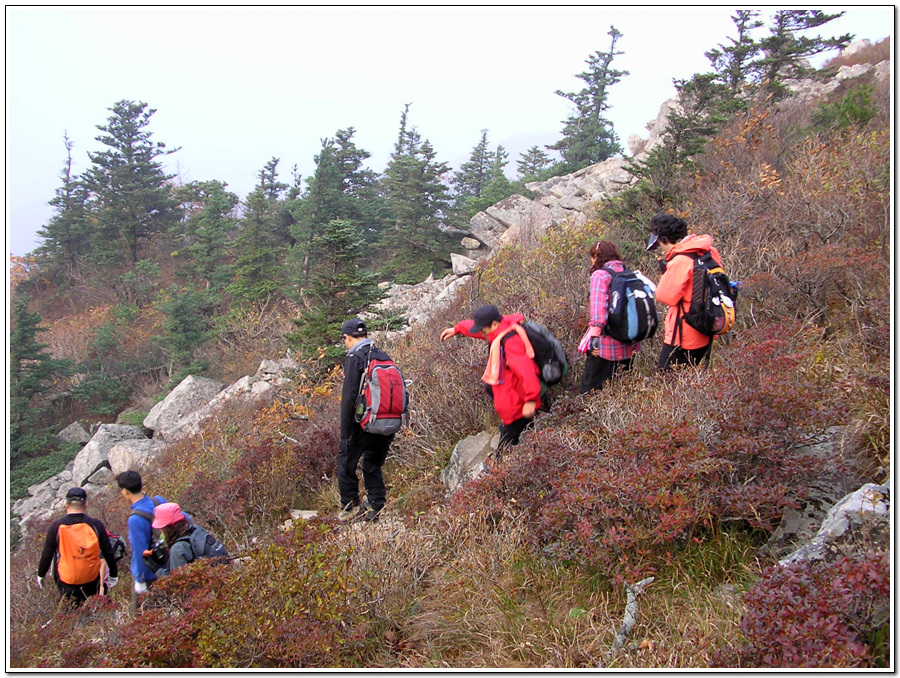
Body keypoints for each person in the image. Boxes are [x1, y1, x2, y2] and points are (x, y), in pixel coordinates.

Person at [440, 304, 542, 448]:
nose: (481, 333)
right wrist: (457, 329)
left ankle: (502, 466)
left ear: (494, 324)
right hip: (514, 394)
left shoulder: (511, 342)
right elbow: (477, 329)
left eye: (483, 329)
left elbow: (527, 371)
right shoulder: (502, 327)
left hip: (517, 400)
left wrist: (531, 400)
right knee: (518, 428)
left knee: (507, 441)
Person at [646, 213, 723, 370]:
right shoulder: (708, 251)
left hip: (684, 333)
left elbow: (664, 296)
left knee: (667, 379)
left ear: (664, 239)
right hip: (707, 325)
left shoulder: (680, 260)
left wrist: (665, 273)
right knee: (690, 376)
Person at [337, 318, 395, 523]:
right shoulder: (382, 354)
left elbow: (349, 397)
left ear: (347, 337)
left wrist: (344, 434)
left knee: (345, 463)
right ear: (367, 335)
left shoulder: (355, 356)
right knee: (372, 464)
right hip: (387, 420)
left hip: (363, 422)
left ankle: (350, 506)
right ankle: (376, 504)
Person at [36, 487, 119, 606]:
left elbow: (47, 554)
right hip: (91, 578)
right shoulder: (96, 525)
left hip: (66, 580)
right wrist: (113, 574)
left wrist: (41, 575)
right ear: (85, 504)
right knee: (93, 607)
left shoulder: (56, 527)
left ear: (66, 504)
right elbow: (108, 552)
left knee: (71, 609)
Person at [578, 240, 642, 394]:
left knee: (590, 391)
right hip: (629, 343)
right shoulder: (627, 271)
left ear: (596, 257)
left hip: (606, 346)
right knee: (621, 389)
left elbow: (599, 314)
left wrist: (593, 341)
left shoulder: (600, 275)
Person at [116, 470, 167, 598]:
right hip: (170, 563)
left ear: (126, 491)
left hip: (152, 574)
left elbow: (140, 552)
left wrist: (140, 579)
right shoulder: (159, 501)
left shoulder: (135, 519)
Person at [148, 503, 228, 575]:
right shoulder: (196, 529)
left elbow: (177, 582)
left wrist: (156, 569)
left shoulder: (178, 548)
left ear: (168, 528)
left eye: (162, 528)